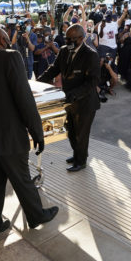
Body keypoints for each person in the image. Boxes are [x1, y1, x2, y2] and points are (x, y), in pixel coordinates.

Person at [0, 26, 58, 241]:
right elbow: (24, 98)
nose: (10, 43)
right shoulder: (10, 57)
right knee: (22, 179)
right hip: (7, 137)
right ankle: (36, 216)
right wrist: (37, 132)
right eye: (8, 40)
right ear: (1, 40)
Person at [38, 24, 100, 172]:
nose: (68, 42)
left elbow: (92, 82)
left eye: (72, 40)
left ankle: (81, 161)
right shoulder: (64, 51)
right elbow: (54, 69)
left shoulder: (91, 55)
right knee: (71, 132)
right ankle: (77, 154)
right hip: (69, 101)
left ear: (81, 38)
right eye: (67, 39)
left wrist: (75, 94)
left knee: (81, 134)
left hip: (85, 102)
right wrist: (38, 82)